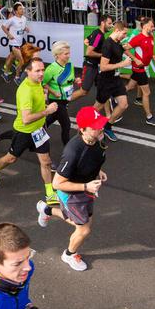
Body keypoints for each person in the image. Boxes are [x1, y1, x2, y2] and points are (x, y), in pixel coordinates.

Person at [37, 107, 109, 272]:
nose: (100, 128)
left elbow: (91, 160)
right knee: (84, 229)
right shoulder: (73, 151)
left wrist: (98, 171)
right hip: (72, 194)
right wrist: (86, 186)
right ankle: (69, 254)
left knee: (85, 220)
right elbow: (57, 183)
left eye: (101, 124)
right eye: (95, 126)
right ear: (82, 130)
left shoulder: (96, 140)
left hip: (87, 189)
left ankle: (47, 210)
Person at [0, 58, 57, 203]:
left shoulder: (38, 82)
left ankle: (49, 193)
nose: (41, 73)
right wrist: (47, 111)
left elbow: (41, 99)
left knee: (46, 161)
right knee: (11, 158)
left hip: (39, 130)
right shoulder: (25, 91)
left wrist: (46, 99)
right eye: (37, 70)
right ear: (28, 71)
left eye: (43, 70)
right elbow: (26, 119)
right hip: (24, 131)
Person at [94, 22, 132, 142]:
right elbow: (104, 67)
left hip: (115, 79)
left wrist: (133, 57)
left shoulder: (117, 42)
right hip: (105, 81)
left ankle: (107, 126)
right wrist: (122, 64)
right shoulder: (107, 44)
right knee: (97, 107)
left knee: (123, 104)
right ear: (117, 30)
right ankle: (84, 126)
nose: (125, 36)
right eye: (124, 33)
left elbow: (123, 50)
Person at [123, 17, 155, 127]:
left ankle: (114, 95)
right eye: (151, 25)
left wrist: (152, 56)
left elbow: (148, 50)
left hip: (142, 68)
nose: (153, 27)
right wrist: (135, 59)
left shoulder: (151, 36)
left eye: (153, 25)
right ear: (144, 26)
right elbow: (125, 49)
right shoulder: (138, 38)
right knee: (146, 93)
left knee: (130, 87)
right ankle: (149, 117)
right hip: (139, 69)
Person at [40, 41, 78, 145]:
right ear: (57, 55)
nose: (69, 56)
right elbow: (42, 83)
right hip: (56, 101)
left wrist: (76, 80)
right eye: (66, 54)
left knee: (48, 120)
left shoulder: (70, 65)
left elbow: (70, 80)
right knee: (66, 125)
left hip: (66, 100)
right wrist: (53, 91)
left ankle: (32, 132)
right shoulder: (51, 69)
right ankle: (69, 149)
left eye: (69, 53)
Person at [79, 15, 113, 101]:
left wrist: (93, 46)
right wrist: (103, 55)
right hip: (91, 66)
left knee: (102, 90)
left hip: (97, 67)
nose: (111, 25)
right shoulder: (98, 36)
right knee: (84, 91)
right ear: (102, 23)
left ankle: (108, 114)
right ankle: (65, 102)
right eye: (109, 23)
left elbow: (86, 41)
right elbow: (89, 52)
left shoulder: (98, 34)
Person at [1, 4, 29, 82]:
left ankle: (5, 73)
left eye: (22, 9)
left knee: (11, 59)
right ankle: (17, 77)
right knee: (21, 61)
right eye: (20, 9)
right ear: (16, 11)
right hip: (13, 43)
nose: (22, 10)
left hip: (20, 42)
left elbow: (22, 28)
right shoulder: (12, 19)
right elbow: (3, 27)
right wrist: (9, 34)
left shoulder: (24, 18)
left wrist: (26, 29)